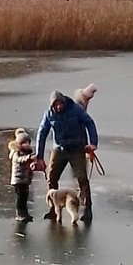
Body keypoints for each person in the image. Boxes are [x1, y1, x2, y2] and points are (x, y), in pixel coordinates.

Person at [35, 91, 99, 222]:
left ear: (64, 102)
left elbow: (89, 122)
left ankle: (88, 208)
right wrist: (39, 157)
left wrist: (93, 143)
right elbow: (42, 133)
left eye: (60, 104)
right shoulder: (49, 114)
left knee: (82, 178)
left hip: (76, 148)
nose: (58, 107)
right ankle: (53, 209)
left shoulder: (75, 109)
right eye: (55, 105)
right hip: (59, 149)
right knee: (51, 177)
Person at [9, 128, 38, 222]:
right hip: (18, 180)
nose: (27, 144)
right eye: (24, 142)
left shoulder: (28, 152)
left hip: (25, 179)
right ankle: (20, 213)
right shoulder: (16, 153)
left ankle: (25, 213)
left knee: (25, 197)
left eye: (28, 142)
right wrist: (29, 158)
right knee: (20, 198)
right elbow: (19, 160)